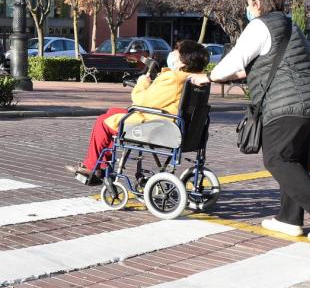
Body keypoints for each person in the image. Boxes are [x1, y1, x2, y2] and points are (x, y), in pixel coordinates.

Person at [187, 0, 310, 241]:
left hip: (290, 103)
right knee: (295, 161)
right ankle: (289, 219)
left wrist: (209, 77)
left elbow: (234, 61)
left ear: (257, 3)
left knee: (277, 159)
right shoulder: (287, 24)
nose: (249, 9)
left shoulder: (260, 25)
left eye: (249, 4)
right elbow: (255, 65)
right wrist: (229, 75)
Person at [67, 40, 210, 184]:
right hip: (176, 124)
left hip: (159, 125)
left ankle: (92, 167)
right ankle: (101, 164)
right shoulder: (196, 79)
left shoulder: (173, 78)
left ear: (183, 62)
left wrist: (143, 82)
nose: (172, 53)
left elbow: (141, 101)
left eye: (176, 52)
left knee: (103, 122)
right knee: (113, 112)